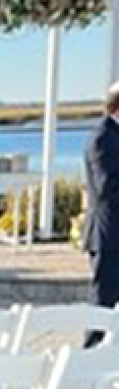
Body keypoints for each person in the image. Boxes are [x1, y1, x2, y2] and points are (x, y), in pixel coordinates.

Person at [84, 81, 119, 346]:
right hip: (109, 237)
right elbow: (107, 186)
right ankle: (87, 358)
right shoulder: (102, 137)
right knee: (102, 306)